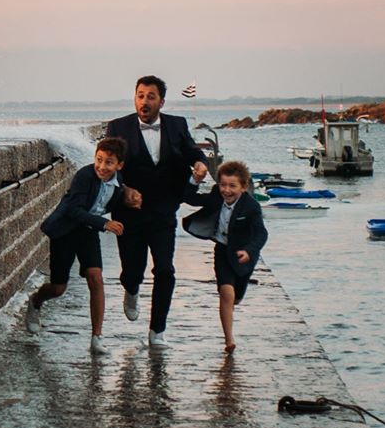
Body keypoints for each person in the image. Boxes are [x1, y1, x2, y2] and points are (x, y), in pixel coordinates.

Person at [102, 75, 208, 346]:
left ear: (161, 101)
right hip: (129, 213)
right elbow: (107, 168)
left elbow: (192, 150)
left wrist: (199, 163)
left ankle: (157, 330)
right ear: (134, 97)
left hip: (164, 211)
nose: (144, 101)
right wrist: (124, 190)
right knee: (132, 272)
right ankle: (131, 289)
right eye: (140, 95)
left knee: (165, 270)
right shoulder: (118, 127)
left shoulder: (177, 124)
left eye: (150, 96)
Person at [25, 136, 129, 354]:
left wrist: (131, 195)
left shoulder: (119, 182)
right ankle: (36, 300)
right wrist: (105, 223)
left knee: (96, 278)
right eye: (98, 159)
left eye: (109, 162)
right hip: (65, 231)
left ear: (119, 165)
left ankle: (97, 338)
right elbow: (74, 211)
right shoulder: (84, 176)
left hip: (88, 232)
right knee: (58, 287)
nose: (101, 166)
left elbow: (121, 193)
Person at [181, 159, 267, 353]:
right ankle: (229, 339)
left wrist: (250, 251)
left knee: (236, 297)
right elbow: (188, 198)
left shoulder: (251, 207)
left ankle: (234, 302)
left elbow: (262, 234)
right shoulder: (215, 196)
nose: (226, 190)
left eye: (232, 186)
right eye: (223, 185)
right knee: (226, 293)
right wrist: (194, 180)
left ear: (244, 187)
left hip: (243, 255)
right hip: (222, 250)